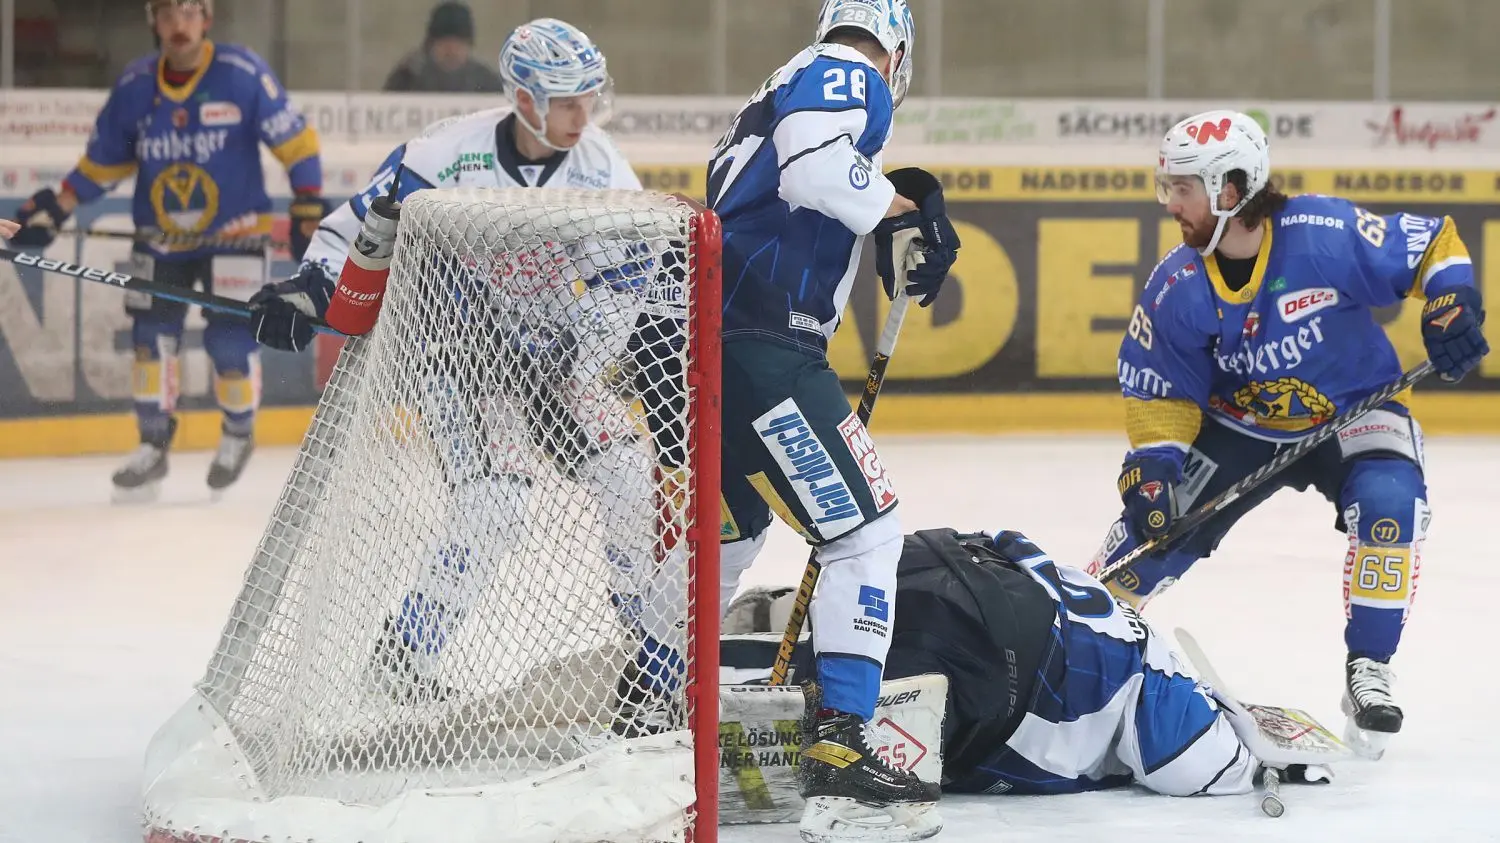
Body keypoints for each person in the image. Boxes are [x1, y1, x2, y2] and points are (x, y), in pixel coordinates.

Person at [246, 18, 687, 736]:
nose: (582, 115)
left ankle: (651, 658)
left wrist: (585, 357)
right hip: (466, 360)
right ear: (524, 98)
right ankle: (404, 654)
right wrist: (309, 288)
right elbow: (356, 228)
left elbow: (624, 285)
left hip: (558, 362)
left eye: (589, 98)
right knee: (496, 503)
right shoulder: (444, 154)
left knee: (631, 483)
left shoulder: (603, 168)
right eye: (566, 101)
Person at [1088, 109, 1489, 760]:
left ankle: (1369, 666)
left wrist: (1452, 301)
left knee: (1391, 504)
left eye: (1182, 188)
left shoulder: (1322, 234)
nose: (1169, 203)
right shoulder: (1178, 285)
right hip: (1241, 425)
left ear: (1228, 189)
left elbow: (1431, 245)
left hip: (1355, 408)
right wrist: (1155, 465)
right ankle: (1075, 640)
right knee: (1152, 531)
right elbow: (1162, 390)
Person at [705, 0, 961, 838]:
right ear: (898, 50)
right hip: (764, 345)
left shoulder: (772, 88)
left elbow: (797, 185)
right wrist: (898, 211)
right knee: (864, 531)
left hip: (708, 348)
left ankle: (658, 700)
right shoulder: (852, 70)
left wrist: (895, 207)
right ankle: (840, 748)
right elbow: (814, 170)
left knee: (729, 538)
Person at [724, 528, 1341, 799]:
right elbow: (1188, 766)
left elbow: (1007, 540)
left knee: (860, 638)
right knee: (851, 724)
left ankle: (788, 624)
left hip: (941, 562)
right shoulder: (1166, 681)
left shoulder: (1116, 619)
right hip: (994, 664)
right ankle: (768, 696)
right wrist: (1250, 763)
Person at [5, 0, 326, 500]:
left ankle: (238, 432)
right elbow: (103, 162)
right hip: (159, 241)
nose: (179, 24)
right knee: (150, 342)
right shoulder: (136, 85)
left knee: (230, 343)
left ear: (208, 18)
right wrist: (58, 206)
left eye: (190, 12)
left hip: (235, 238)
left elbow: (298, 144)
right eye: (168, 13)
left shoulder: (242, 73)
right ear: (152, 21)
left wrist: (307, 204)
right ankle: (152, 445)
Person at [384, 1, 503, 93]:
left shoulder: (486, 82)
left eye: (458, 45)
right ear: (430, 46)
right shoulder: (407, 78)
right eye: (445, 45)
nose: (452, 51)